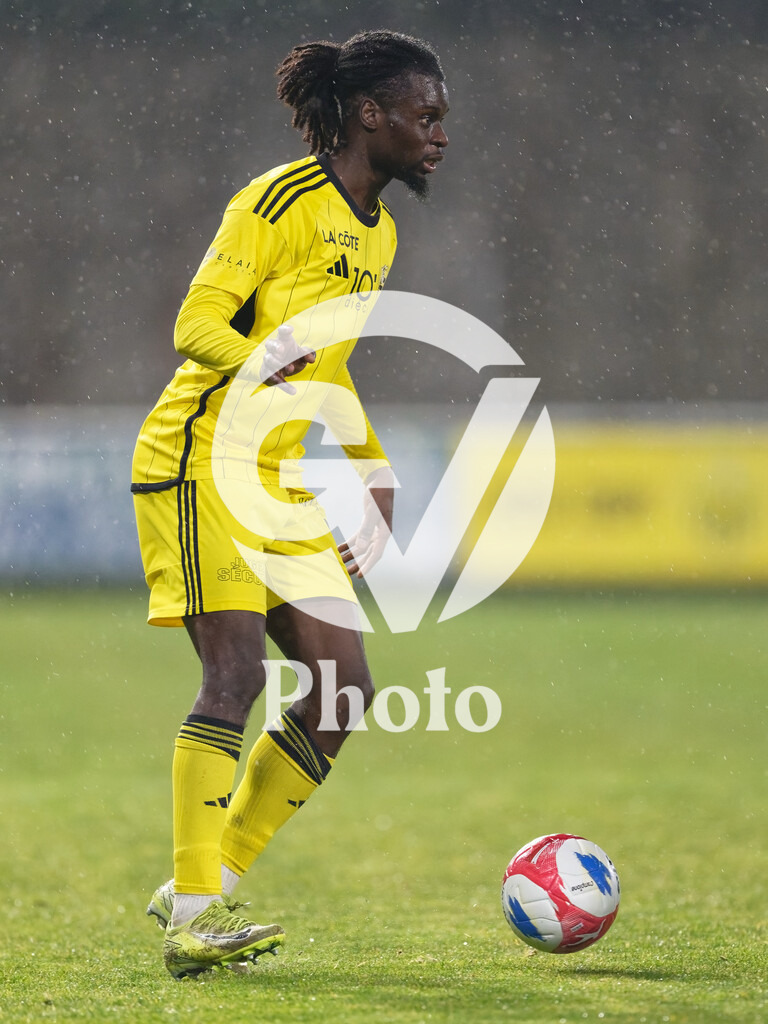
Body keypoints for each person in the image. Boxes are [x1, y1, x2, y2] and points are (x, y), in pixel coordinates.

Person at [131, 29, 449, 980]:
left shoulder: (379, 234)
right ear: (370, 115)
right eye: (426, 116)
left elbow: (326, 366)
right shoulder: (277, 202)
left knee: (343, 690)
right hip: (197, 460)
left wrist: (371, 463)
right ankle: (194, 920)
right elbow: (195, 324)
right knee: (234, 678)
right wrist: (262, 364)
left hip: (270, 478)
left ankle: (201, 885)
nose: (439, 134)